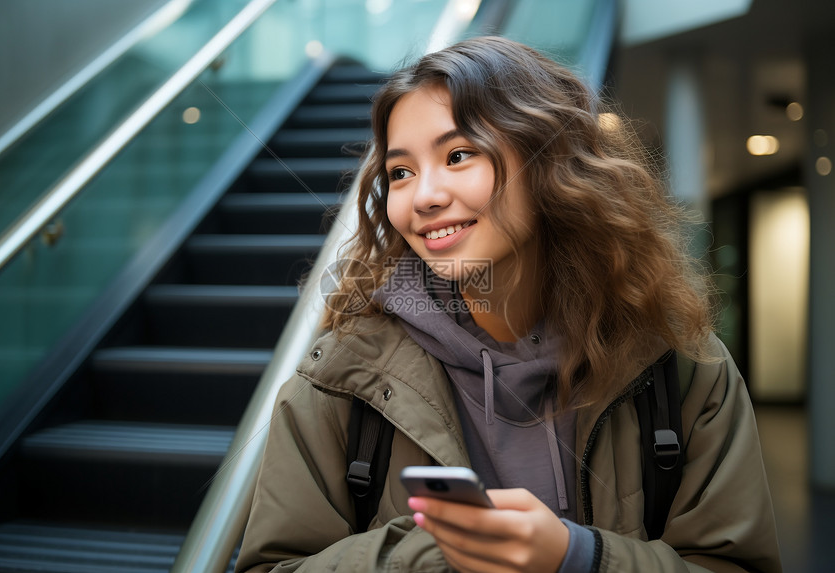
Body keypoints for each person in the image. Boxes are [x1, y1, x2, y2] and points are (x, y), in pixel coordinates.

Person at [236, 36, 781, 572]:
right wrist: (435, 553)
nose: (423, 196)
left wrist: (579, 558)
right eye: (399, 172)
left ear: (549, 163)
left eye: (458, 155)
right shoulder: (337, 381)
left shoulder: (682, 367)